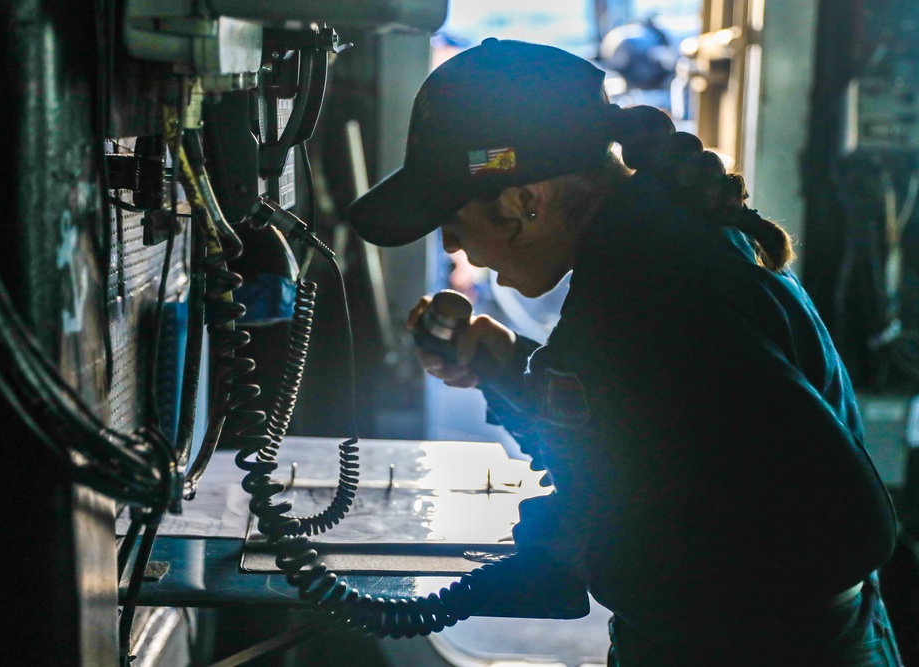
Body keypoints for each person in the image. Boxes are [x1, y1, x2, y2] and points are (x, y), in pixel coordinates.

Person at [347, 39, 902, 665]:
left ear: (526, 201)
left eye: (453, 217)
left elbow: (849, 525)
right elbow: (655, 430)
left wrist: (597, 539)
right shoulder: (651, 259)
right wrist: (501, 366)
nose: (451, 243)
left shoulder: (666, 298)